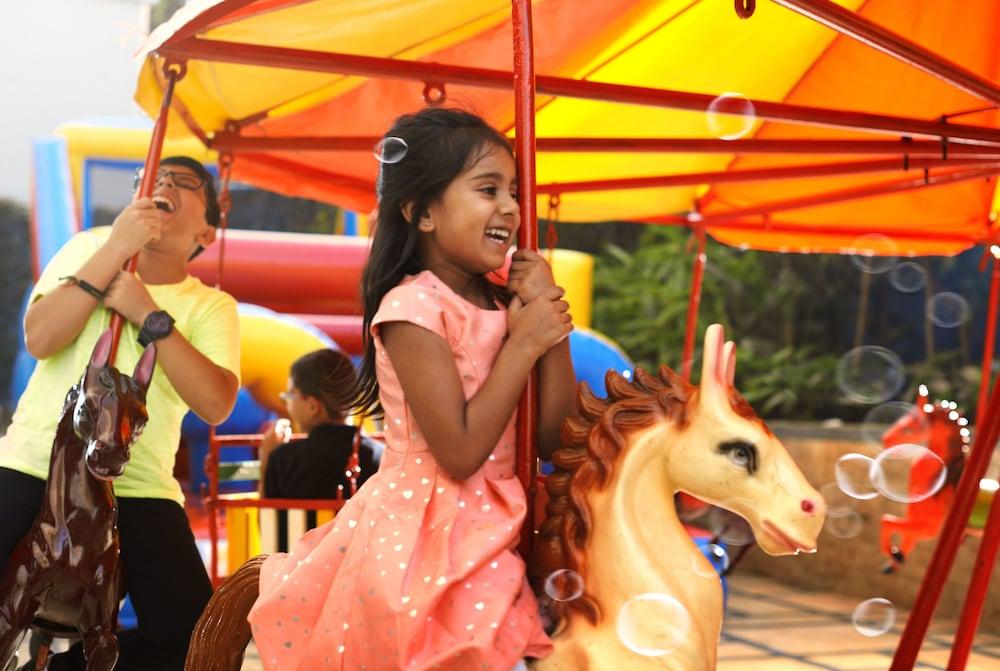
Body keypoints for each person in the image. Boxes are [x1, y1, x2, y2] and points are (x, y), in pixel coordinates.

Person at [248, 107, 577, 671]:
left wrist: (548, 325)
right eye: (487, 189)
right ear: (422, 213)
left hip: (511, 511)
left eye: (513, 192)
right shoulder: (411, 308)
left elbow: (555, 439)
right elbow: (459, 451)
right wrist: (524, 345)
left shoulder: (507, 305)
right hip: (430, 527)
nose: (510, 208)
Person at [0, 156, 241, 670]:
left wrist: (147, 314)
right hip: (37, 461)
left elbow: (216, 402)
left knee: (194, 641)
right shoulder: (90, 246)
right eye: (152, 179)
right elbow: (40, 336)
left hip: (136, 485)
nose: (162, 185)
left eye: (183, 183)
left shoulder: (211, 306)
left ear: (207, 230)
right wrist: (114, 250)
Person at [257, 348, 383, 550]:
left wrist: (267, 459)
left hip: (295, 572)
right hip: (360, 572)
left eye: (291, 395)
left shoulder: (283, 458)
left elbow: (268, 529)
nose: (287, 404)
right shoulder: (379, 455)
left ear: (313, 406)